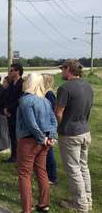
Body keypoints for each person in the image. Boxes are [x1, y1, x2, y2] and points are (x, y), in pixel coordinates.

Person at [55, 60, 93, 212]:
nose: (61, 72)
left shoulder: (65, 88)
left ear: (68, 69)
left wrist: (60, 126)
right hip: (85, 131)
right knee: (83, 167)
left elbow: (58, 112)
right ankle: (87, 199)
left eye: (62, 69)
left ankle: (80, 204)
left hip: (70, 134)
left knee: (73, 169)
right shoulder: (87, 85)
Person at [16, 73, 57, 213]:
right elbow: (53, 121)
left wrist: (42, 137)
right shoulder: (45, 100)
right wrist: (51, 137)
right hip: (44, 141)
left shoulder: (25, 100)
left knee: (24, 174)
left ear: (30, 83)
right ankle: (44, 204)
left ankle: (26, 210)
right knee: (41, 171)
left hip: (29, 141)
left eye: (26, 79)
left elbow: (31, 123)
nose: (24, 81)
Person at [3, 63, 24, 163]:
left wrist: (9, 109)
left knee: (19, 137)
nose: (9, 72)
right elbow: (7, 98)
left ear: (17, 71)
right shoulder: (11, 83)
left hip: (17, 114)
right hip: (9, 114)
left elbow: (20, 99)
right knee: (12, 136)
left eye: (11, 70)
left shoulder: (22, 83)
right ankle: (13, 156)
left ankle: (20, 157)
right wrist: (5, 109)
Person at [42, 74, 57, 185]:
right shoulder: (44, 93)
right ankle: (46, 173)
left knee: (49, 151)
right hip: (45, 125)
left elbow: (51, 112)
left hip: (48, 126)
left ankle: (52, 176)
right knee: (45, 151)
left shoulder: (49, 94)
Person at [0, 76, 11, 152]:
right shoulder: (4, 90)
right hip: (0, 112)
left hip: (4, 113)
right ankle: (0, 146)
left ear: (8, 83)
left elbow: (4, 102)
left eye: (4, 82)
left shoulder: (8, 91)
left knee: (3, 131)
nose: (3, 83)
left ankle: (6, 147)